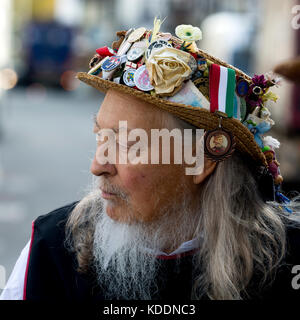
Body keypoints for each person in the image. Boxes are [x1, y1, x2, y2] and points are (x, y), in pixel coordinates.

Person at [1, 20, 300, 301]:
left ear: (203, 160)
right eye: (101, 136)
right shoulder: (50, 250)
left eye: (128, 143)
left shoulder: (286, 261)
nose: (97, 165)